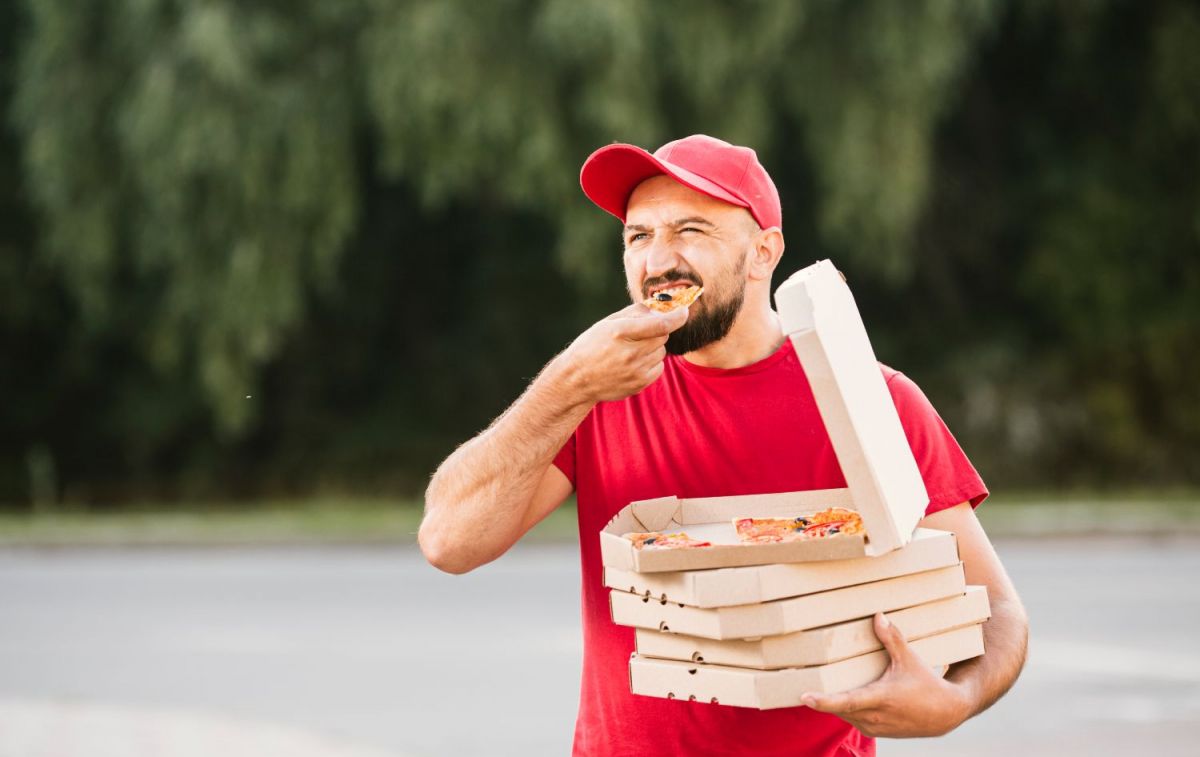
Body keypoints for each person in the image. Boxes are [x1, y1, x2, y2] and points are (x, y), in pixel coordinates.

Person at [420, 135, 1029, 756]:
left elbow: (999, 612)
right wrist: (566, 384)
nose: (659, 261)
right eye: (638, 236)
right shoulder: (596, 393)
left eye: (690, 230)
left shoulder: (875, 398)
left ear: (764, 252)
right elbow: (449, 542)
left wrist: (954, 701)